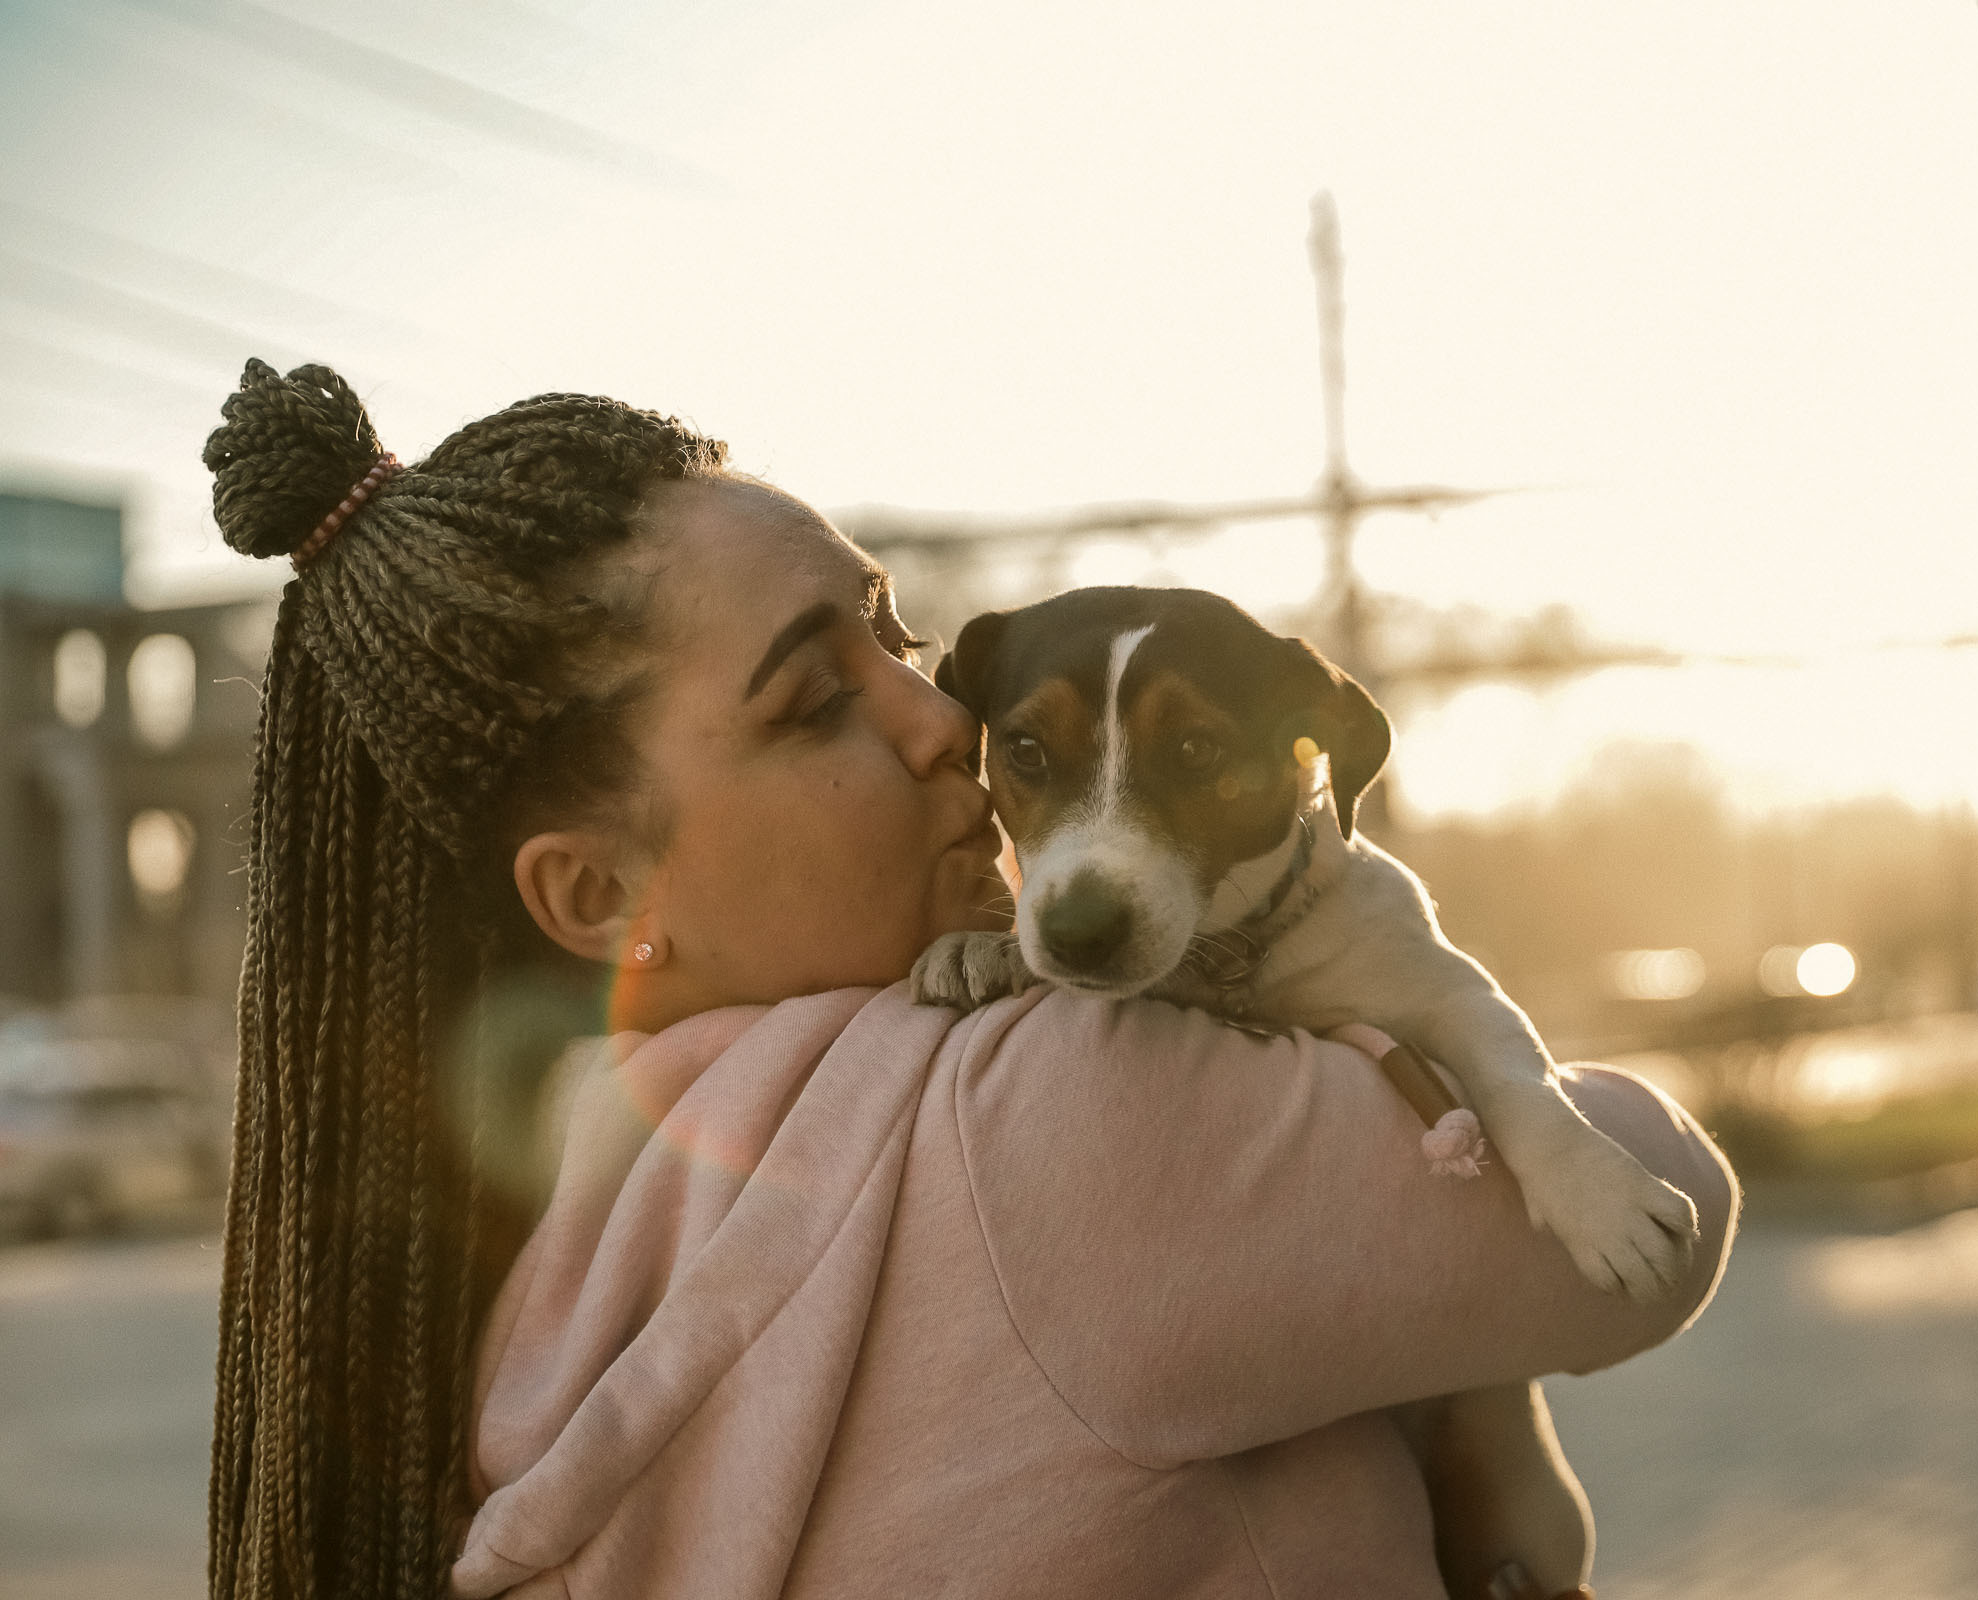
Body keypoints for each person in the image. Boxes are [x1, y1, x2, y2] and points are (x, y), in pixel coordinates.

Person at [201, 360, 1737, 1600]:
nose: (946, 724)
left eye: (901, 638)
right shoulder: (1051, 1114)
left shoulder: (551, 1193)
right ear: (600, 895)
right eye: (816, 700)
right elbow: (1662, 1214)